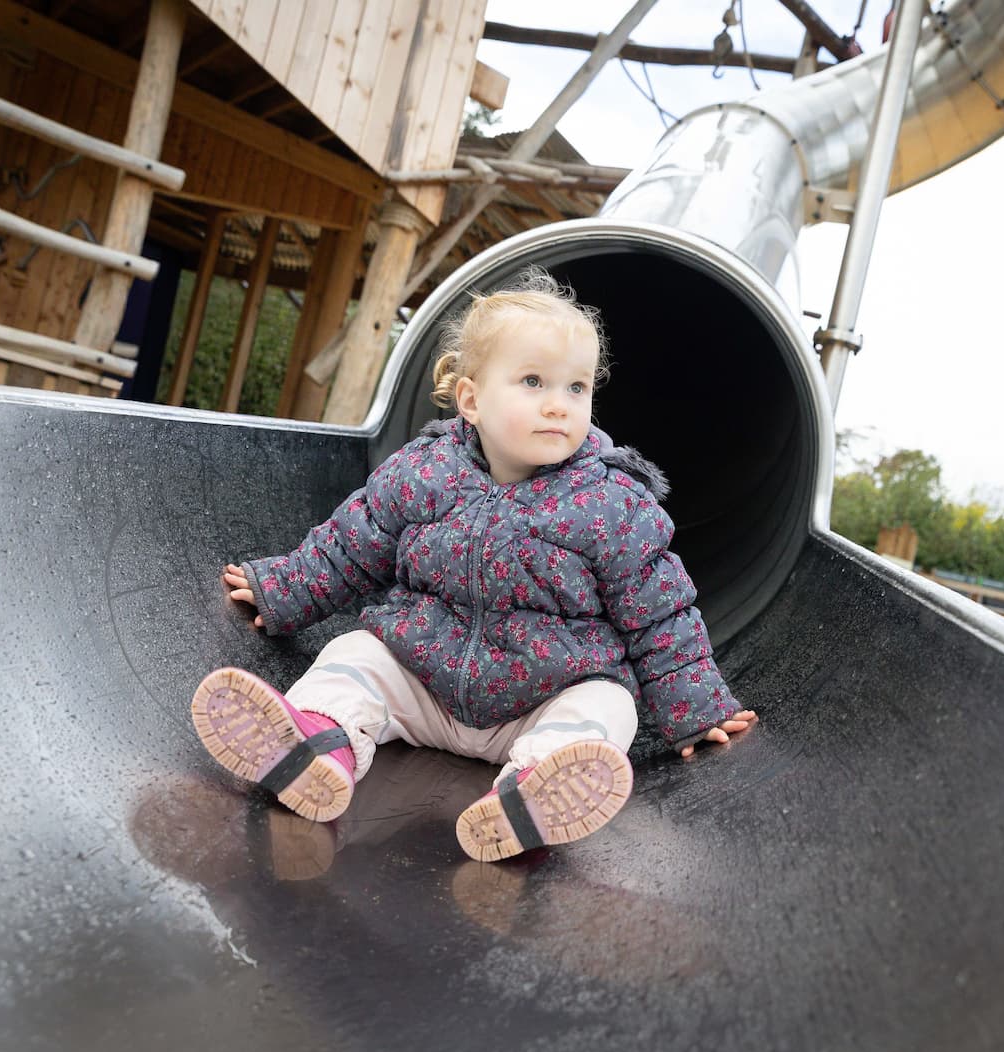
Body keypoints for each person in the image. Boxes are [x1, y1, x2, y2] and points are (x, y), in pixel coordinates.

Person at [190, 266, 756, 862]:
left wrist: (697, 711)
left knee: (609, 705)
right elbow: (352, 545)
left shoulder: (609, 502)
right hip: (422, 684)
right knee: (355, 654)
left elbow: (659, 612)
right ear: (471, 399)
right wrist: (281, 588)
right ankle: (316, 745)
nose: (558, 406)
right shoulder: (424, 472)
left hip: (542, 699)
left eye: (576, 388)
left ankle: (532, 791)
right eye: (533, 381)